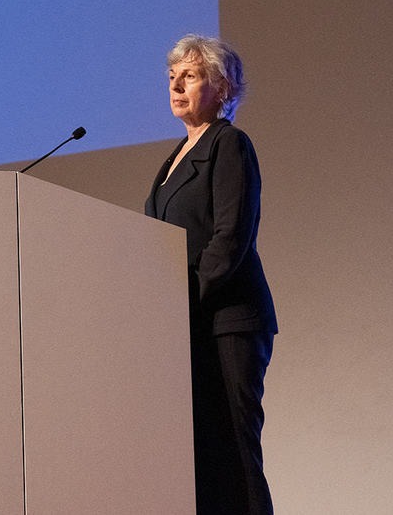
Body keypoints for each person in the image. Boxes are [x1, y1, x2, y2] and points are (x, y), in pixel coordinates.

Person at [145, 35, 277, 515]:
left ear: (223, 87)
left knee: (235, 453)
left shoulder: (229, 144)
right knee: (202, 457)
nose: (176, 85)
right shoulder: (173, 158)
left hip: (228, 320)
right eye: (172, 77)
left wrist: (181, 299)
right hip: (191, 323)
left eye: (191, 76)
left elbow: (230, 239)